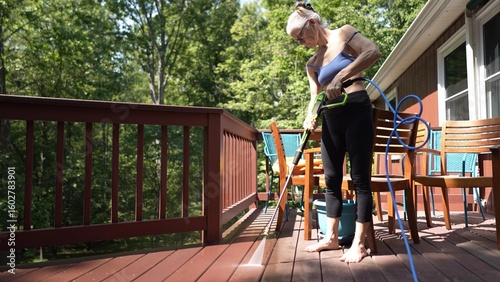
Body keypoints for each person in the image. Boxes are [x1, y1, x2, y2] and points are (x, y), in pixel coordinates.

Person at [286, 2, 381, 263]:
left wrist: (341, 76)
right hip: (331, 117)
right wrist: (309, 115)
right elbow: (315, 96)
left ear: (313, 24)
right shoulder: (312, 63)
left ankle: (359, 244)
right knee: (331, 178)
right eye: (296, 40)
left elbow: (373, 51)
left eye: (300, 36)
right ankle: (330, 238)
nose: (300, 42)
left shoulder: (344, 33)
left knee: (360, 178)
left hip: (357, 109)